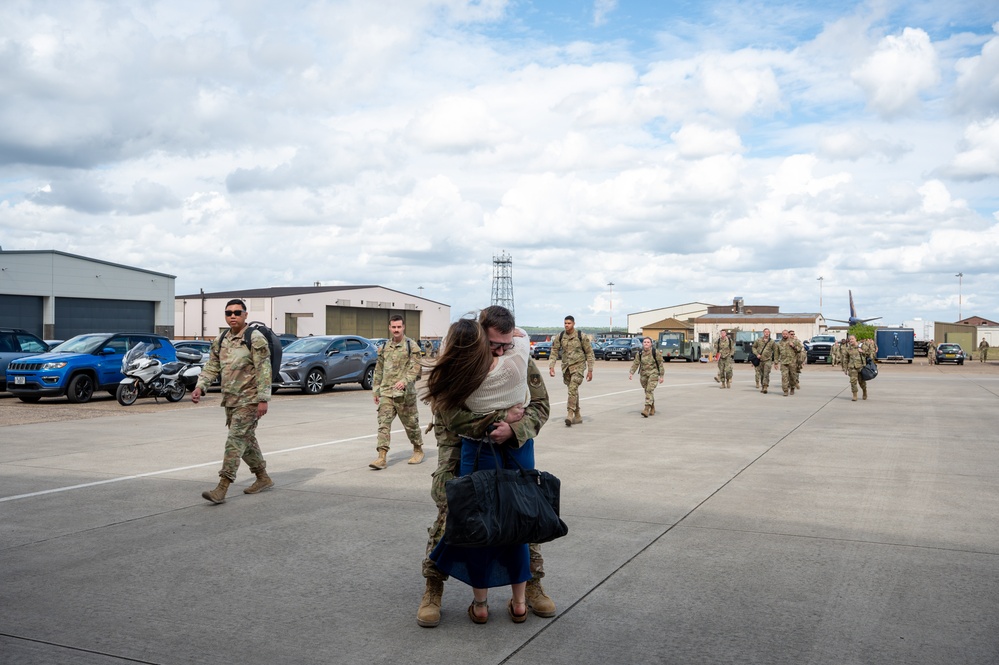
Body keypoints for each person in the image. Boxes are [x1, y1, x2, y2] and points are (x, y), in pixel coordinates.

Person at [417, 306, 553, 628]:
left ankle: (531, 584)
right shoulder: (462, 358)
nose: (501, 350)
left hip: (508, 446)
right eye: (495, 344)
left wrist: (514, 429)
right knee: (452, 514)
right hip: (458, 448)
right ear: (481, 334)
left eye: (507, 344)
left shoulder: (516, 359)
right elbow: (450, 415)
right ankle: (433, 586)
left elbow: (541, 406)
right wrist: (497, 420)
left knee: (521, 512)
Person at [192, 299, 273, 504]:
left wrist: (263, 399)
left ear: (245, 315)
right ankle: (263, 477)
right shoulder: (221, 340)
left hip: (250, 400)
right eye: (229, 313)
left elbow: (264, 369)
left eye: (237, 312)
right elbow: (212, 366)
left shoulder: (255, 339)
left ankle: (222, 486)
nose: (233, 316)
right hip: (230, 400)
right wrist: (200, 386)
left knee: (234, 441)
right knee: (246, 441)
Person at [370, 315, 424, 470]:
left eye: (399, 327)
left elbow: (416, 368)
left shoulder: (411, 346)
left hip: (405, 394)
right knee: (383, 424)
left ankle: (418, 449)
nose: (396, 330)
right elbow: (378, 369)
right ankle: (381, 457)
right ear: (389, 328)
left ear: (403, 327)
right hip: (387, 392)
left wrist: (404, 381)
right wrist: (376, 390)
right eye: (393, 327)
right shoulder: (384, 347)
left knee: (411, 424)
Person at [548, 315, 594, 426]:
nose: (566, 325)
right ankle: (577, 414)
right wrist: (551, 366)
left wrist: (590, 370)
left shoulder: (581, 336)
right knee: (572, 391)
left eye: (569, 323)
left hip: (578, 366)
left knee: (573, 388)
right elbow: (554, 351)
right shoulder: (560, 336)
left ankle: (570, 413)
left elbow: (589, 353)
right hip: (566, 367)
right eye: (565, 323)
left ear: (573, 323)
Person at [629, 337, 664, 416]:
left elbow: (660, 364)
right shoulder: (640, 353)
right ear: (642, 343)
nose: (646, 344)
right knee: (647, 391)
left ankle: (646, 409)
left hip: (653, 373)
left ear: (651, 344)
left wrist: (661, 376)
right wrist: (631, 373)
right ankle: (652, 406)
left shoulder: (655, 352)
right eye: (645, 342)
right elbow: (636, 363)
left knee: (649, 390)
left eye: (648, 342)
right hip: (643, 374)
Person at [841, 335, 873, 401]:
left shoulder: (862, 346)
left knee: (862, 382)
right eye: (850, 339)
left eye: (852, 339)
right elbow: (845, 359)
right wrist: (845, 368)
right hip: (852, 367)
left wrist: (862, 351)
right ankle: (854, 395)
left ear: (855, 339)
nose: (851, 340)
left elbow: (870, 352)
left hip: (861, 367)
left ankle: (864, 391)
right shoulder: (848, 348)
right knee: (853, 382)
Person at [752, 328, 776, 394]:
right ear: (763, 332)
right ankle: (762, 385)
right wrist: (757, 354)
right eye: (765, 332)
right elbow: (753, 347)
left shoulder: (772, 341)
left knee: (766, 373)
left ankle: (765, 386)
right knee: (762, 374)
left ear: (769, 333)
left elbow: (775, 351)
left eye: (768, 332)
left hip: (768, 360)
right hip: (760, 360)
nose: (767, 333)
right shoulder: (758, 340)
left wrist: (776, 361)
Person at [775, 329, 797, 396]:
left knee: (792, 376)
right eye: (783, 334)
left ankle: (792, 388)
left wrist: (793, 346)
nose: (785, 335)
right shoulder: (779, 343)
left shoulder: (794, 341)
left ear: (788, 334)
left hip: (792, 362)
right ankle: (785, 390)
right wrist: (776, 362)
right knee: (784, 377)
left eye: (786, 334)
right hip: (784, 363)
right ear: (782, 335)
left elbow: (799, 350)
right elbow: (776, 353)